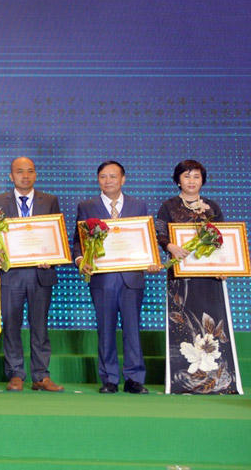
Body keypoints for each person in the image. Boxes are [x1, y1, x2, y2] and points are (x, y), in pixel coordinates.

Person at [155, 160, 242, 394]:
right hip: (181, 277)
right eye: (186, 176)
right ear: (178, 181)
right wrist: (170, 246)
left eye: (196, 176)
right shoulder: (168, 206)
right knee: (185, 323)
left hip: (210, 275)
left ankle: (219, 380)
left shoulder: (212, 207)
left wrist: (225, 266)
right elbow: (159, 232)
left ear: (203, 180)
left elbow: (223, 238)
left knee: (212, 323)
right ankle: (184, 381)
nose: (191, 181)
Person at [73, 160, 158, 394]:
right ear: (98, 180)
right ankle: (109, 378)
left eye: (113, 176)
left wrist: (151, 260)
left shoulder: (138, 205)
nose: (108, 180)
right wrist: (80, 260)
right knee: (105, 329)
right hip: (102, 278)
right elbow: (78, 241)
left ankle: (134, 378)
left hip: (132, 277)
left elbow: (146, 238)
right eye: (103, 176)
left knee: (132, 329)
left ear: (123, 179)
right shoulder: (87, 206)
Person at [0, 157, 63, 392]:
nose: (25, 176)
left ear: (36, 174)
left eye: (30, 171)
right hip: (11, 274)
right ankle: (16, 374)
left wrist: (52, 257)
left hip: (41, 273)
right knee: (11, 325)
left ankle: (41, 376)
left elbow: (57, 234)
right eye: (20, 172)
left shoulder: (49, 200)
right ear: (11, 176)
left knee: (40, 326)